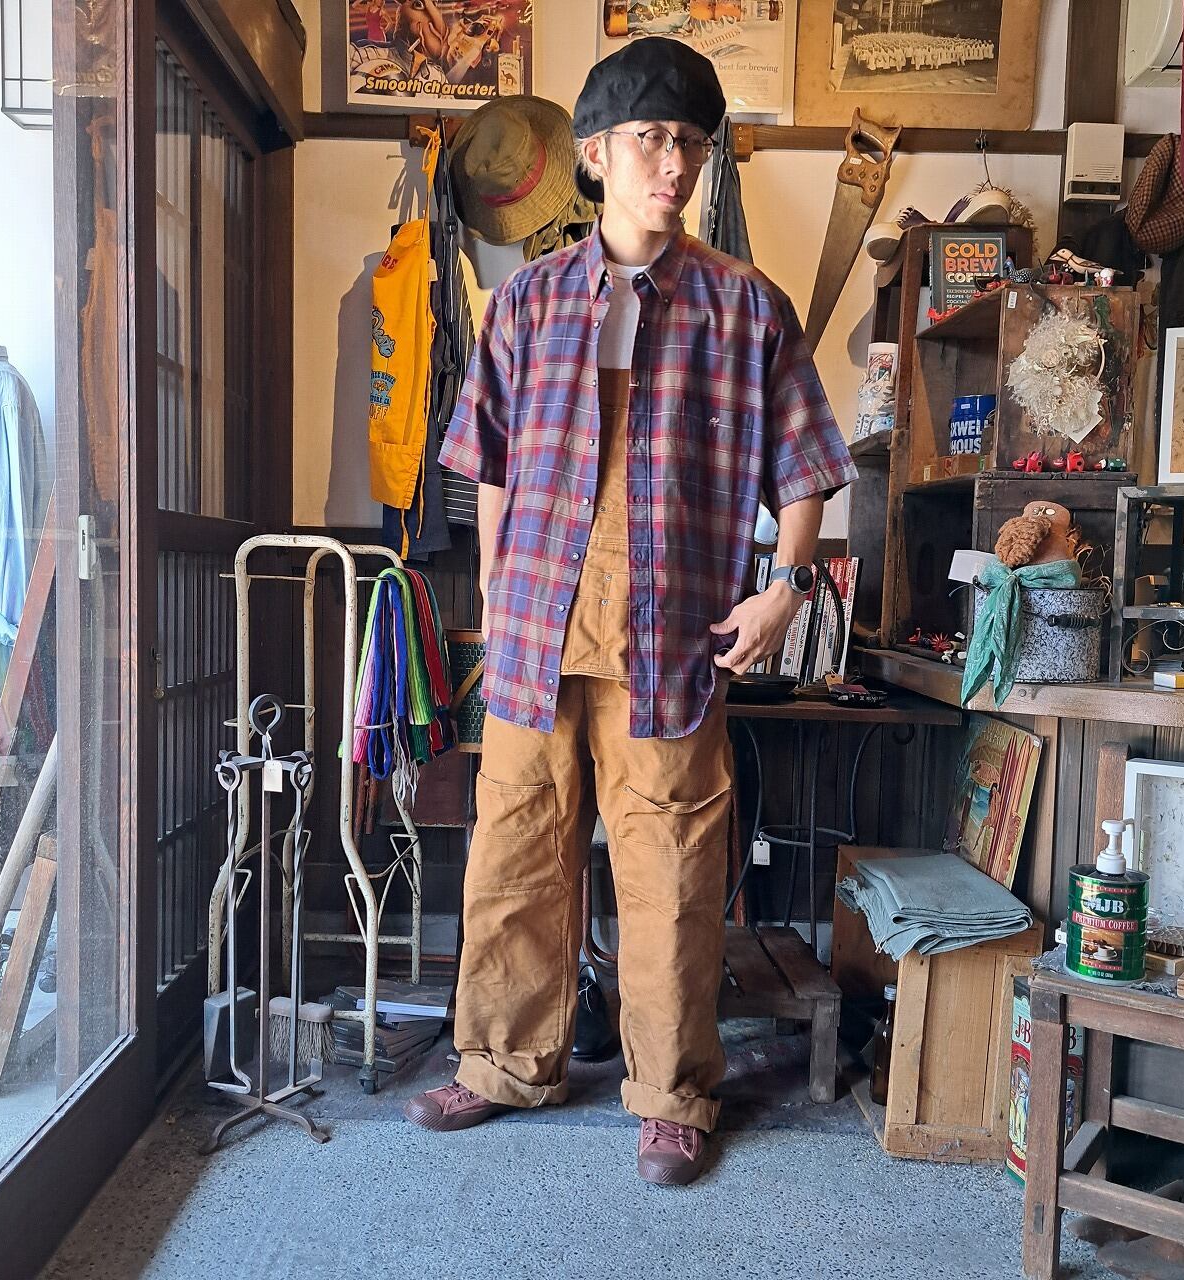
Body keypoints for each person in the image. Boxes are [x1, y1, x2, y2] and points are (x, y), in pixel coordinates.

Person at [404, 37, 855, 1185]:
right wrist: (496, 583)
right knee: (513, 853)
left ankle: (669, 1093)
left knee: (671, 872)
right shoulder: (525, 300)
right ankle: (503, 1061)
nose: (674, 162)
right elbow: (485, 458)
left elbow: (805, 462)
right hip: (535, 635)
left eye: (691, 141)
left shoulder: (742, 305)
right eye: (651, 138)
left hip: (668, 638)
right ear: (596, 155)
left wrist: (783, 586)